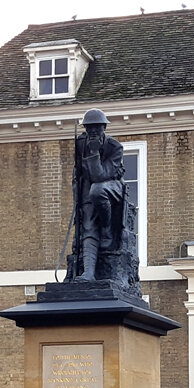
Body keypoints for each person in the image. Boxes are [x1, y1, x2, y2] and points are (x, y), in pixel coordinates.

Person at [71, 108, 125, 281]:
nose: (93, 131)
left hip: (112, 186)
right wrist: (77, 202)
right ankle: (88, 273)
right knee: (88, 225)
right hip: (88, 187)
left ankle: (107, 228)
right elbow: (77, 175)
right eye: (89, 128)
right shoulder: (80, 144)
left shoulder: (114, 147)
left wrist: (94, 152)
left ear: (104, 128)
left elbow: (100, 176)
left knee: (98, 190)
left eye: (97, 127)